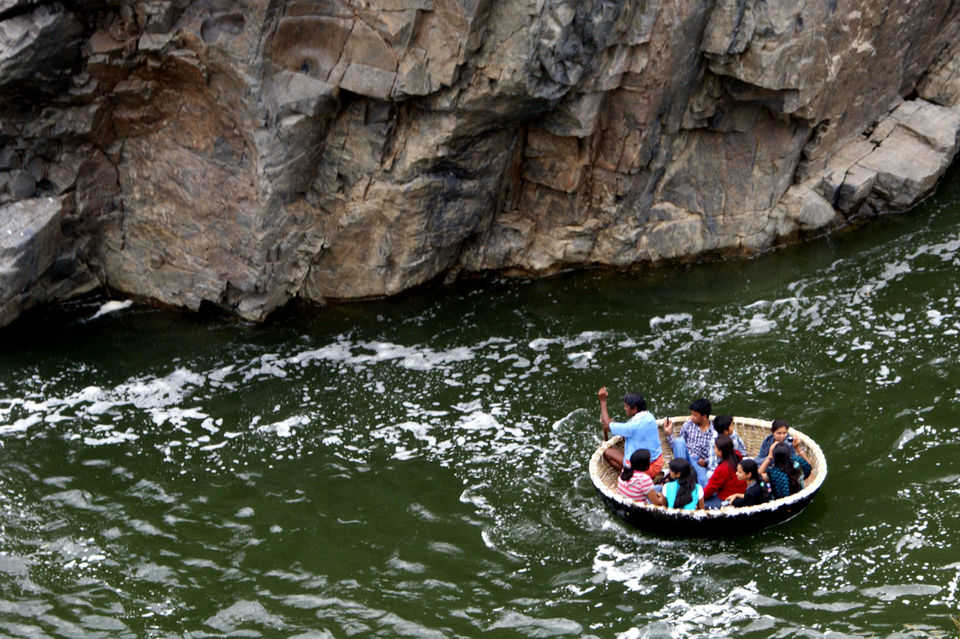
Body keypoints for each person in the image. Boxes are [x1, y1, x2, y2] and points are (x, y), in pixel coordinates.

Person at [597, 387, 664, 477]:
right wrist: (609, 422)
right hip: (658, 463)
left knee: (607, 453)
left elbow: (606, 426)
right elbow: (624, 428)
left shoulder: (632, 427)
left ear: (635, 409)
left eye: (626, 406)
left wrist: (603, 401)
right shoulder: (649, 416)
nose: (624, 408)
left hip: (646, 470)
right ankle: (631, 472)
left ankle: (631, 474)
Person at [663, 398, 715, 486]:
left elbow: (715, 454)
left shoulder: (714, 431)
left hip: (699, 462)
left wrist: (706, 462)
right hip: (684, 458)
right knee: (679, 441)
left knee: (705, 484)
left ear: (704, 416)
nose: (691, 417)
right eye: (691, 414)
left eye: (695, 415)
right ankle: (681, 475)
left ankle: (685, 481)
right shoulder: (688, 425)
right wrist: (669, 433)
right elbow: (677, 446)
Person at [701, 435, 747, 508]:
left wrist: (698, 500)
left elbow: (710, 489)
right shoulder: (737, 454)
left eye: (715, 447)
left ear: (721, 451)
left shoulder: (723, 469)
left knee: (702, 504)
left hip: (727, 497)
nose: (714, 449)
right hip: (741, 490)